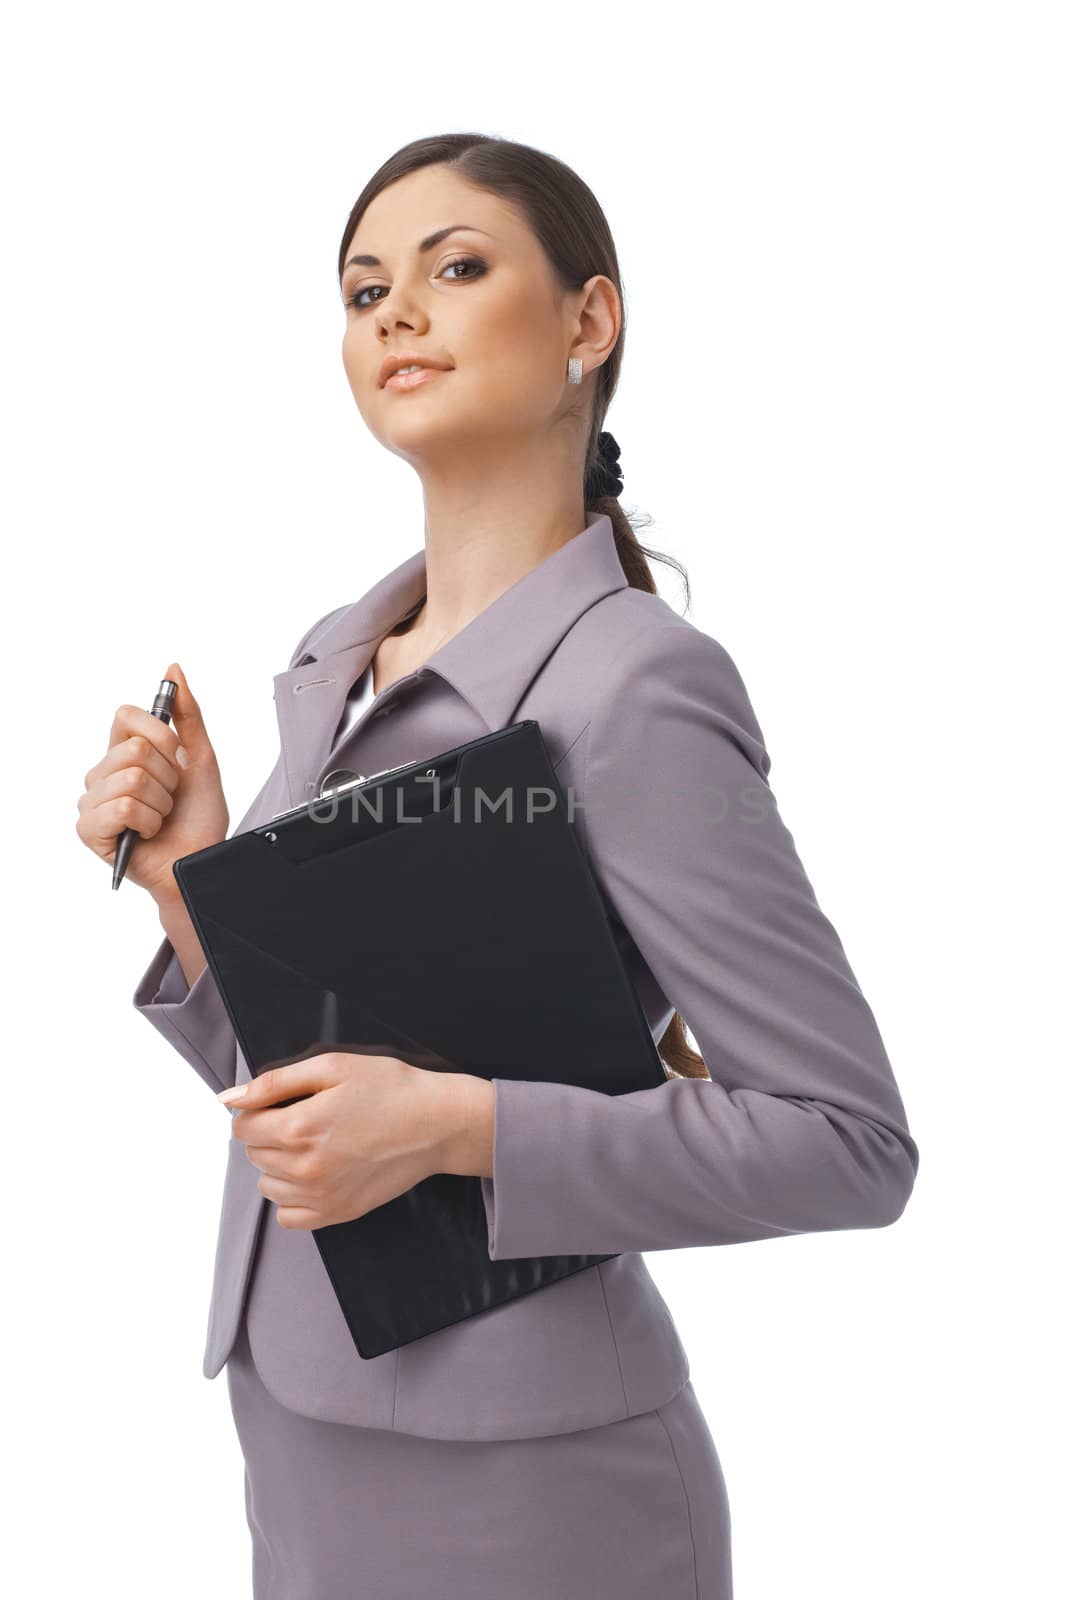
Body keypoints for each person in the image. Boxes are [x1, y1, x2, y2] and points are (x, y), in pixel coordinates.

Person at [76, 133, 919, 1600]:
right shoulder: (338, 663)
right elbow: (319, 1077)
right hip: (302, 1439)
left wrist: (459, 1126)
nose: (396, 311)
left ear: (590, 324)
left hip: (532, 1497)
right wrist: (192, 878)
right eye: (363, 288)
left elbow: (846, 1139)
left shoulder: (636, 686)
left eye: (455, 269)